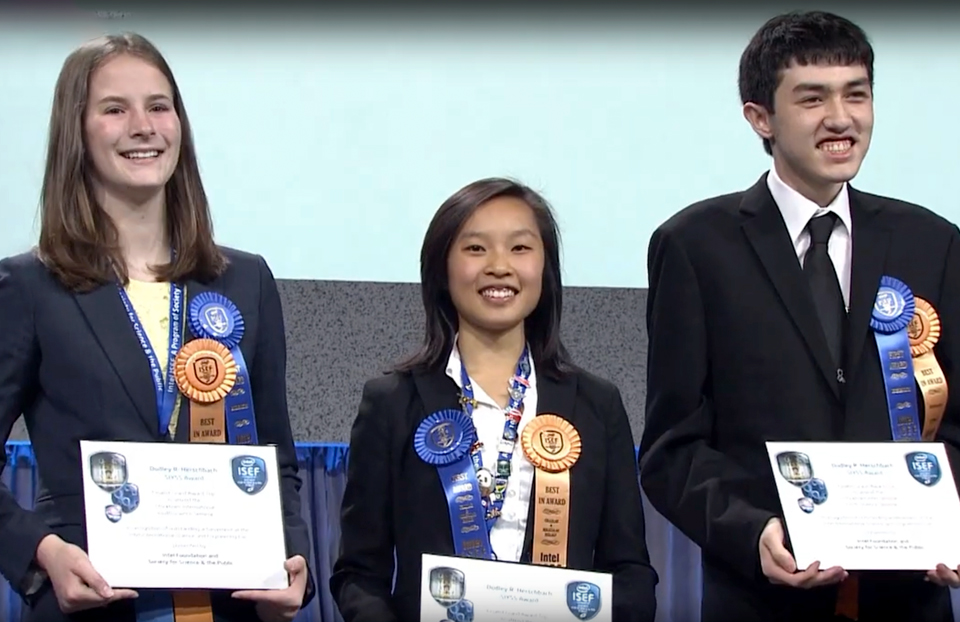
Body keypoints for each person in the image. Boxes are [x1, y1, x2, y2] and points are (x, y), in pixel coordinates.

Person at [639, 10, 960, 622]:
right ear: (760, 117)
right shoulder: (695, 246)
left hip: (908, 599)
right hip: (761, 598)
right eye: (812, 99)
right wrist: (749, 529)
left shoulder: (933, 242)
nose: (841, 119)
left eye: (856, 95)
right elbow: (673, 446)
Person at [0, 33, 315, 622]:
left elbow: (277, 456)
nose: (143, 126)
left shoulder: (244, 280)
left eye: (159, 106)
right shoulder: (30, 287)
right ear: (77, 132)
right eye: (115, 109)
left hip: (231, 605)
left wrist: (291, 556)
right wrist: (42, 555)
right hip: (93, 604)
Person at [330, 177, 659, 622]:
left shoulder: (596, 405)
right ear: (442, 269)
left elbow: (630, 572)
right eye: (476, 249)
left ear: (546, 267)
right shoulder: (391, 403)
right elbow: (359, 574)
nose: (500, 266)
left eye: (520, 248)